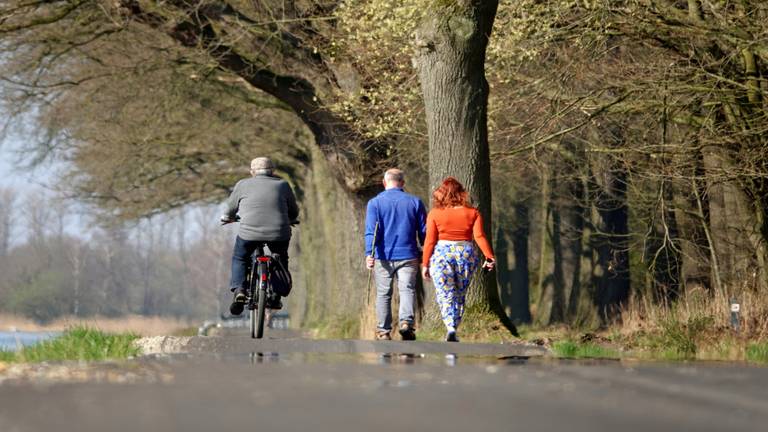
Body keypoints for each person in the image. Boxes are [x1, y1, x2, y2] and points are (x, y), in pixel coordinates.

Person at [221, 157, 299, 316]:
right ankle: (276, 295)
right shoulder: (283, 185)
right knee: (281, 258)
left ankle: (240, 290)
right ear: (273, 171)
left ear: (252, 172)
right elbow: (294, 210)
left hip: (249, 233)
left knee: (240, 257)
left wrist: (227, 217)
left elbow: (230, 209)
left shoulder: (242, 185)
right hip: (279, 232)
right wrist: (290, 218)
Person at [421, 177, 495, 342]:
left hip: (442, 254)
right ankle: (454, 325)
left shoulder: (434, 214)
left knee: (445, 292)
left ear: (442, 194)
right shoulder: (473, 213)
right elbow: (479, 236)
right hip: (466, 253)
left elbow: (430, 241)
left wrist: (425, 263)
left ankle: (450, 327)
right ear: (462, 193)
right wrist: (489, 257)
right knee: (460, 292)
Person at [365, 168, 427, 341]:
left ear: (384, 183)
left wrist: (369, 253)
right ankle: (406, 323)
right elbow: (424, 231)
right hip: (408, 254)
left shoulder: (374, 203)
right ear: (403, 183)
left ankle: (384, 331)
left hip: (383, 256)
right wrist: (426, 251)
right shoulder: (415, 202)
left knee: (384, 293)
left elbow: (371, 232)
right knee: (407, 289)